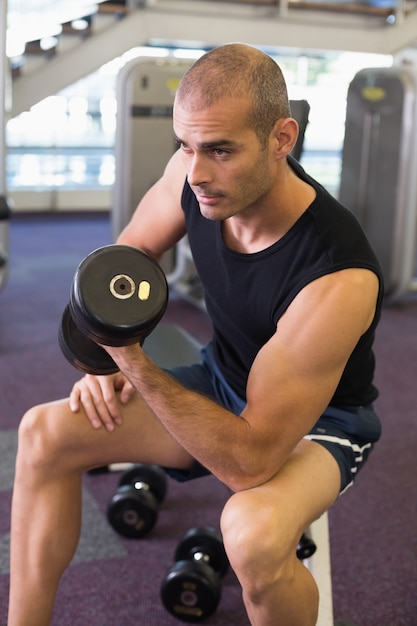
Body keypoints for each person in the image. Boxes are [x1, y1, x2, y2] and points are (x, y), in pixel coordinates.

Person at [8, 43, 383, 626]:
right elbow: (124, 262)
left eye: (221, 150)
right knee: (43, 433)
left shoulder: (337, 275)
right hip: (224, 377)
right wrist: (98, 362)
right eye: (186, 145)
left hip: (319, 425)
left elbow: (249, 461)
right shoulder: (194, 173)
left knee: (252, 532)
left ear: (282, 139)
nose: (198, 172)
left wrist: (129, 360)